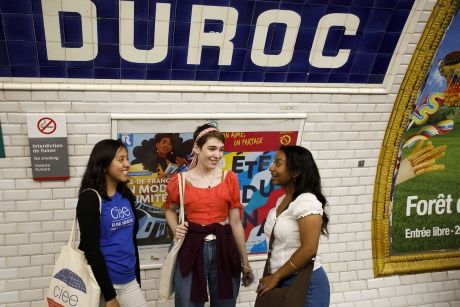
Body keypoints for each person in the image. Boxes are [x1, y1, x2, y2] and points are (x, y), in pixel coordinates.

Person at [164, 123, 254, 307]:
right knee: (187, 302)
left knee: (225, 302)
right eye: (212, 149)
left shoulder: (229, 178)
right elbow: (169, 210)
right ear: (197, 148)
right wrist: (176, 229)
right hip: (191, 246)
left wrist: (245, 262)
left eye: (221, 150)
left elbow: (236, 223)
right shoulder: (179, 181)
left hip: (223, 245)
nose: (217, 155)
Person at [257, 145, 330, 307]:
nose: (271, 168)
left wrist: (275, 277)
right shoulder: (281, 202)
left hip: (305, 283)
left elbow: (309, 249)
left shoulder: (307, 201)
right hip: (282, 279)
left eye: (278, 163)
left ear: (296, 172)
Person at [77, 139, 147, 307]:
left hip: (129, 281)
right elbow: (91, 250)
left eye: (127, 158)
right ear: (103, 165)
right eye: (121, 159)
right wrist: (109, 296)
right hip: (101, 286)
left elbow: (131, 239)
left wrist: (136, 279)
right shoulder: (90, 198)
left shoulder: (126, 195)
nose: (127, 164)